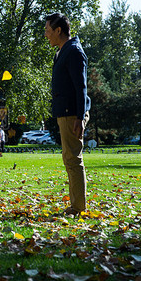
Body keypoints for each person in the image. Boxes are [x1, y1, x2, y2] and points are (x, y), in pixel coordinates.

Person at [44, 13, 91, 216]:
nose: (46, 35)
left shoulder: (73, 51)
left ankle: (78, 207)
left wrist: (80, 118)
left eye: (47, 30)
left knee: (73, 159)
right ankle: (76, 205)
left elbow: (81, 87)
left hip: (72, 114)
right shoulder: (63, 51)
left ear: (58, 30)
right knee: (69, 158)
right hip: (66, 113)